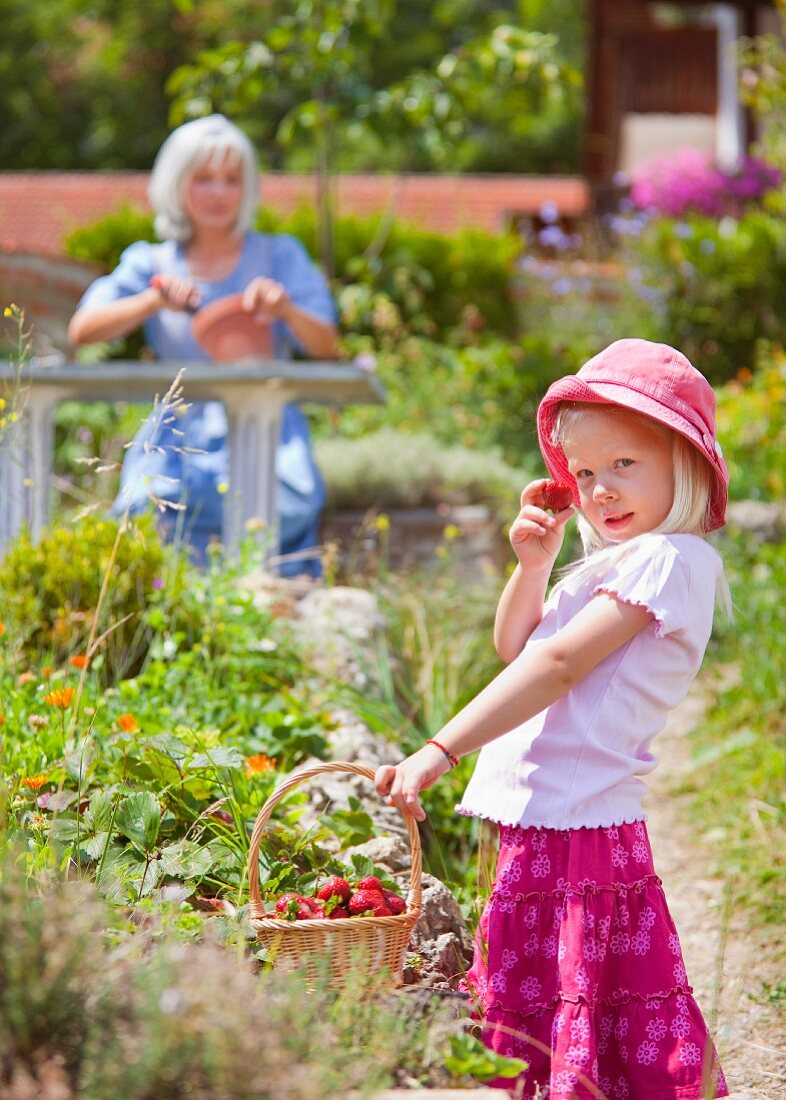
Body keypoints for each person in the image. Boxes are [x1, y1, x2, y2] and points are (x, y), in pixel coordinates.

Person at [376, 338, 731, 1099]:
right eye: (587, 473)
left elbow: (559, 666)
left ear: (687, 461)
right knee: (542, 1010)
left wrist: (441, 747)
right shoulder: (612, 562)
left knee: (580, 1007)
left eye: (625, 465)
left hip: (581, 830)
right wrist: (534, 566)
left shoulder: (670, 560)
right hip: (548, 819)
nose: (601, 490)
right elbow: (518, 645)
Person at [67, 114, 339, 575]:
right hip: (175, 445)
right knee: (150, 540)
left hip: (265, 436)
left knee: (265, 543)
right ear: (177, 184)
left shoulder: (280, 255)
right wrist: (152, 300)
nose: (218, 192)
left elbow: (327, 346)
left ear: (246, 188)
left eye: (231, 180)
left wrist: (285, 310)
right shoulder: (151, 261)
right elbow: (82, 331)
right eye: (203, 178)